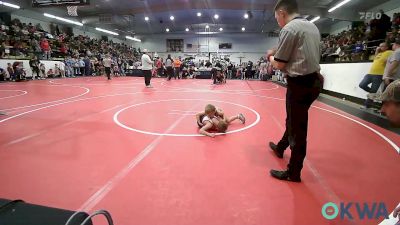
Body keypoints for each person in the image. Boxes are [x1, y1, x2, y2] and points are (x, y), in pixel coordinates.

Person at [267, 0, 323, 182]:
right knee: (294, 120)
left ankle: (294, 172)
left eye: (277, 18)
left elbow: (280, 63)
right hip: (315, 81)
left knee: (297, 128)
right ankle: (281, 147)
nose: (278, 22)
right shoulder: (312, 27)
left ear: (282, 13)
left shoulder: (289, 29)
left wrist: (270, 57)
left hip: (300, 83)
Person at [359, 42, 393, 108]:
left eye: (382, 46)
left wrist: (388, 60)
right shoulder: (379, 53)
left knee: (373, 90)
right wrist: (377, 51)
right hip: (370, 73)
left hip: (379, 74)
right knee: (362, 85)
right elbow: (375, 59)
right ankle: (375, 95)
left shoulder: (389, 52)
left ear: (386, 47)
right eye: (379, 46)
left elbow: (394, 57)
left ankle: (367, 105)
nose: (380, 47)